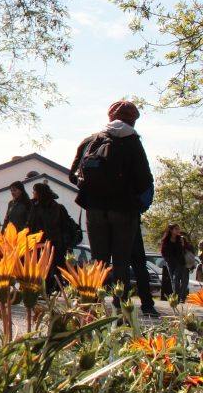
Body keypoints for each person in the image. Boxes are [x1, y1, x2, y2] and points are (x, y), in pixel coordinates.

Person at [69, 100, 153, 305]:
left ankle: (93, 304)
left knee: (98, 261)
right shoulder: (133, 141)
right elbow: (145, 180)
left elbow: (73, 175)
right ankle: (121, 305)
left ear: (110, 117)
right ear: (133, 120)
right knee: (122, 261)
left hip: (95, 210)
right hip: (124, 210)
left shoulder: (92, 140)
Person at [26, 182, 70, 292]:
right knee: (45, 267)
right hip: (46, 242)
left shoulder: (53, 208)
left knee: (49, 267)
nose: (33, 193)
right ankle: (46, 289)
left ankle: (48, 289)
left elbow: (33, 225)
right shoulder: (36, 206)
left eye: (34, 191)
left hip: (48, 242)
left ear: (39, 193)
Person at [161, 224, 195, 303]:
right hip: (170, 263)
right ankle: (177, 297)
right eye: (176, 229)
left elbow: (188, 248)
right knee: (173, 280)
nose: (178, 230)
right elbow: (163, 252)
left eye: (178, 229)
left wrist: (185, 243)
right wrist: (167, 259)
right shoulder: (166, 239)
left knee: (177, 280)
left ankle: (177, 297)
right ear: (171, 230)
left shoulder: (180, 239)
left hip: (179, 262)